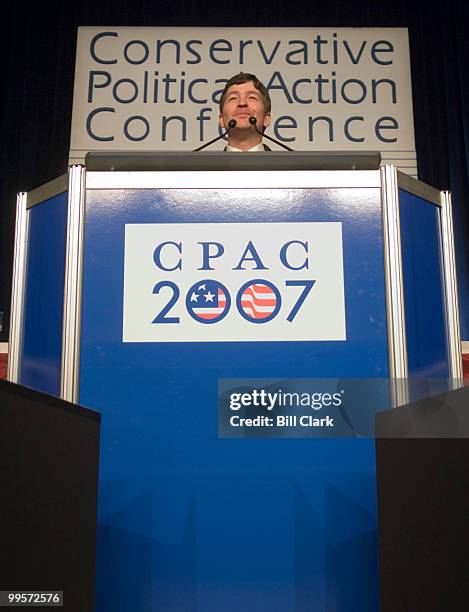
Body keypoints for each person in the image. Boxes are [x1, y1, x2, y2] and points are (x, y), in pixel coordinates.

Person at [219, 73, 272, 151]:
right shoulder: (197, 163)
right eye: (233, 98)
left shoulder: (293, 163)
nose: (242, 103)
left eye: (252, 97)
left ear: (266, 119)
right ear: (222, 120)